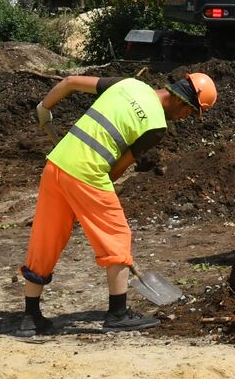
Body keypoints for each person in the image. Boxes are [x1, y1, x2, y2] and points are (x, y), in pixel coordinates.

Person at [17, 72, 217, 336]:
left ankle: (30, 317)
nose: (185, 119)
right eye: (190, 113)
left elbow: (70, 82)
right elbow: (117, 168)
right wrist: (99, 191)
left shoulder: (128, 84)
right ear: (182, 102)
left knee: (46, 237)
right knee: (116, 236)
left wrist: (44, 108)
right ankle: (118, 314)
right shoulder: (156, 126)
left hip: (56, 165)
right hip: (88, 173)